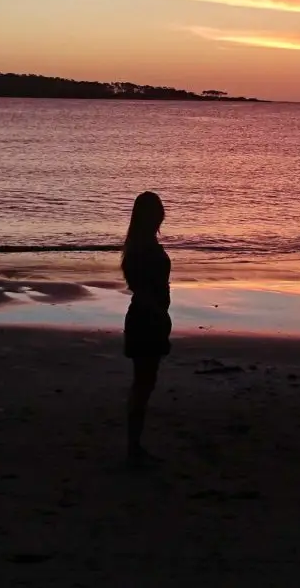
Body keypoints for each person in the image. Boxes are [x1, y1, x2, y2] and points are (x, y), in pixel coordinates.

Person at [121, 190, 171, 465]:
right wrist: (159, 315)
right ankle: (134, 448)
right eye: (157, 210)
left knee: (144, 382)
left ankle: (134, 446)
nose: (162, 214)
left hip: (148, 317)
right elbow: (141, 291)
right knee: (143, 382)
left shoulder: (141, 245)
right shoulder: (142, 249)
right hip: (146, 319)